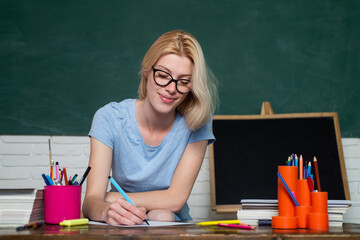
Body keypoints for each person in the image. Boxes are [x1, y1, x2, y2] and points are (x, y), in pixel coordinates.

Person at [82, 30, 218, 226]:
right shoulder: (110, 118)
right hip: (119, 225)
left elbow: (175, 200)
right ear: (146, 70)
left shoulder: (197, 121)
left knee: (164, 215)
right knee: (161, 213)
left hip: (172, 228)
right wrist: (106, 211)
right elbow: (91, 202)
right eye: (163, 75)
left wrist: (108, 198)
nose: (171, 88)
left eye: (184, 82)